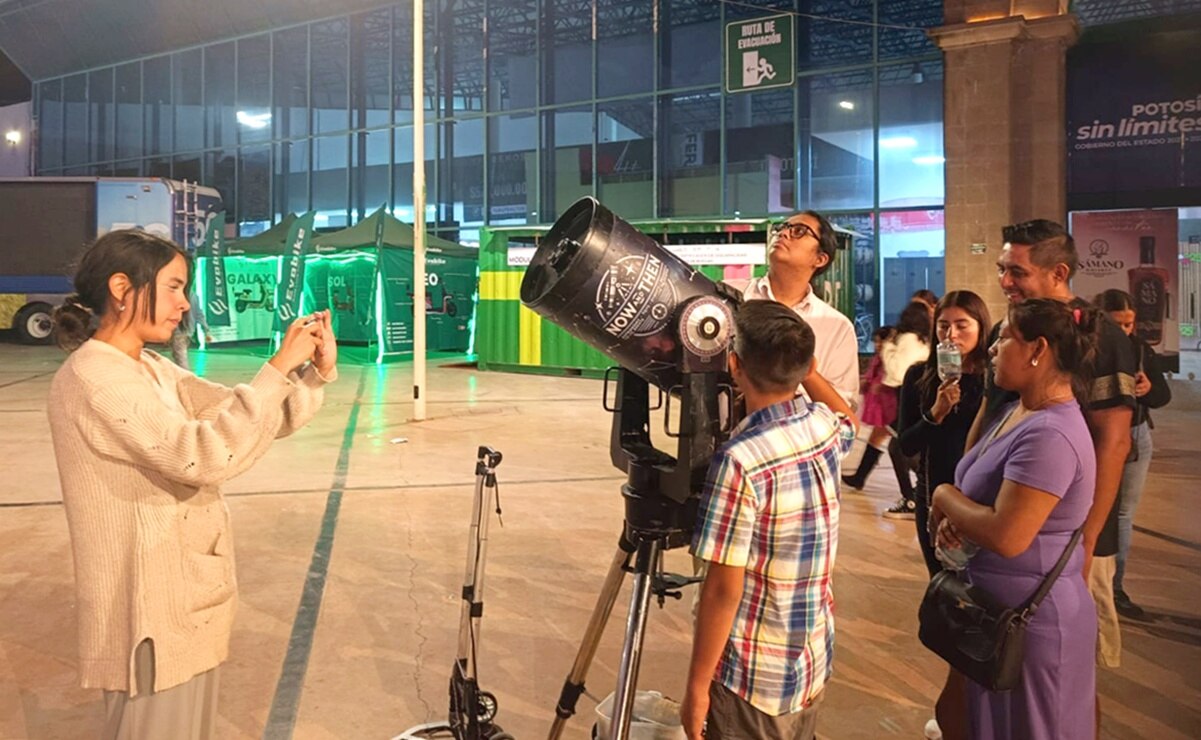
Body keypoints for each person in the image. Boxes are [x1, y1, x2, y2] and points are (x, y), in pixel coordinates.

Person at [46, 230, 337, 740]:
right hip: (147, 610)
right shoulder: (97, 378)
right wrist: (276, 368)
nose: (185, 303)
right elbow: (201, 455)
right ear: (121, 287)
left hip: (182, 597)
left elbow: (247, 414)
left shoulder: (151, 367)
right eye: (175, 287)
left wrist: (311, 373)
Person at [964, 219, 1134, 730]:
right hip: (1000, 524)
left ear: (1058, 271)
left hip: (1063, 535)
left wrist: (1085, 540)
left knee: (1066, 678)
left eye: (1016, 271)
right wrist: (966, 478)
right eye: (1001, 270)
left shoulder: (1100, 336)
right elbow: (991, 411)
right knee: (989, 669)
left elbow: (1114, 439)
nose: (1005, 282)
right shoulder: (1011, 330)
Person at [681, 301, 857, 740]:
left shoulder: (740, 463)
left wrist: (697, 686)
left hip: (752, 678)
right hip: (809, 660)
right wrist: (809, 372)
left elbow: (724, 589)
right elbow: (847, 418)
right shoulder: (820, 426)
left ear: (734, 364)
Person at [931, 298, 1100, 740]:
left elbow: (1008, 535)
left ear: (1037, 350)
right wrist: (961, 519)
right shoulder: (1018, 410)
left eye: (1004, 338)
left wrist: (943, 496)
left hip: (1034, 624)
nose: (991, 349)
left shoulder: (1051, 434)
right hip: (994, 615)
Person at [895, 290, 991, 574]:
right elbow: (906, 445)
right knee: (942, 584)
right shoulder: (919, 377)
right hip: (933, 493)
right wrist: (935, 413)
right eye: (943, 325)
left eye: (962, 325)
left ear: (980, 327)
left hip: (981, 498)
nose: (951, 334)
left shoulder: (995, 378)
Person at [726, 210, 859, 404]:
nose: (783, 233)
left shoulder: (837, 326)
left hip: (799, 433)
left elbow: (843, 410)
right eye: (781, 228)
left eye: (799, 231)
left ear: (820, 259)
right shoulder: (728, 295)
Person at [1094, 288, 1171, 619]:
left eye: (1129, 324)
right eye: (1117, 324)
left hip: (1135, 434)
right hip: (1098, 436)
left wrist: (1148, 389)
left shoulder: (1140, 349)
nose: (1124, 331)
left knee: (1123, 514)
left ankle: (1116, 586)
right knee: (1097, 508)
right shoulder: (1089, 349)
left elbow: (1162, 396)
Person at [843, 301, 930, 491]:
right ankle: (863, 477)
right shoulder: (924, 340)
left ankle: (916, 492)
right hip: (913, 395)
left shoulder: (907, 340)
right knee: (889, 440)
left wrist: (889, 348)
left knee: (899, 446)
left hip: (901, 395)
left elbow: (897, 371)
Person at [841, 326, 895, 490]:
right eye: (876, 341)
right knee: (877, 439)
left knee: (897, 447)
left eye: (881, 341)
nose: (878, 345)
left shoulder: (892, 358)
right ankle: (860, 477)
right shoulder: (879, 358)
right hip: (882, 404)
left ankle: (860, 477)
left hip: (890, 405)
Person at [168, 285, 213, 370]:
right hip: (189, 331)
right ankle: (181, 376)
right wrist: (206, 330)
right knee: (178, 355)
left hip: (179, 330)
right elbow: (199, 314)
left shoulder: (177, 296)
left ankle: (185, 378)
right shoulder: (194, 295)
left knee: (180, 358)